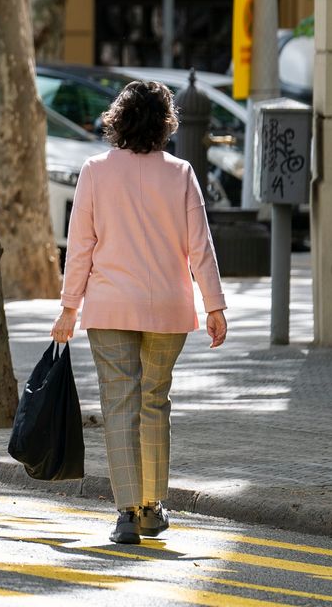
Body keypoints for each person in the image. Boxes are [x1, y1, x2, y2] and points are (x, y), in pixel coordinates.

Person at [50, 79, 228, 546]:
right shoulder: (181, 172)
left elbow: (80, 248)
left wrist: (70, 307)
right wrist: (214, 305)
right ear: (166, 124)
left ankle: (126, 512)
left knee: (120, 405)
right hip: (169, 307)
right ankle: (153, 506)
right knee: (155, 401)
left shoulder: (95, 170)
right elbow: (200, 247)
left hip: (109, 306)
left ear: (118, 120)